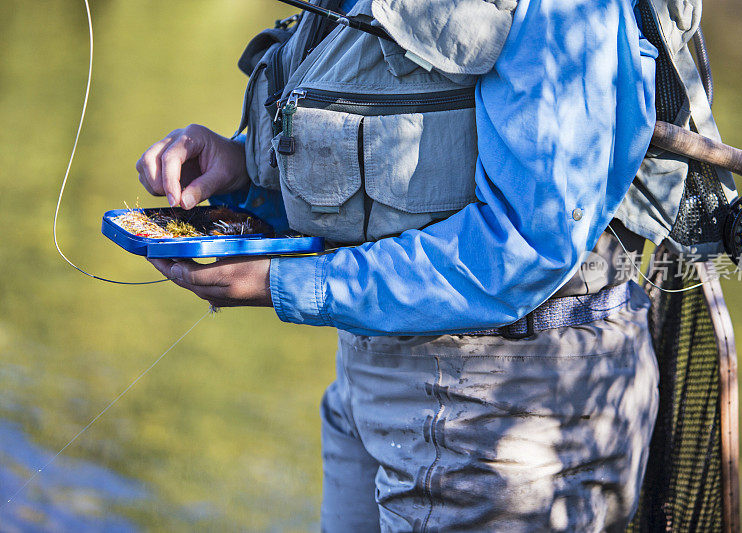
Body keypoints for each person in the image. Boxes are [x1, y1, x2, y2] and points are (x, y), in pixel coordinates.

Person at [138, 0, 660, 529]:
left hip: (506, 415)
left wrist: (284, 283)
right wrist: (245, 171)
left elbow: (526, 244)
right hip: (365, 382)